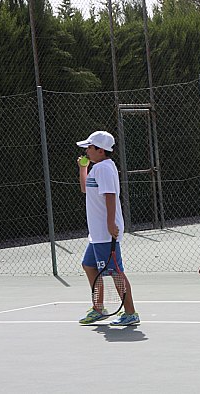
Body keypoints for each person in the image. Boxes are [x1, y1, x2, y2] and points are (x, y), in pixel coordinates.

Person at [76, 130, 139, 326]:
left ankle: (130, 313)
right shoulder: (98, 168)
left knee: (115, 272)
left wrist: (111, 224)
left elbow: (110, 196)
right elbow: (85, 188)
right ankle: (98, 308)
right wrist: (82, 169)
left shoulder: (105, 168)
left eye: (90, 147)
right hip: (96, 234)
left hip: (105, 233)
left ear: (101, 150)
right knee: (89, 265)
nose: (87, 151)